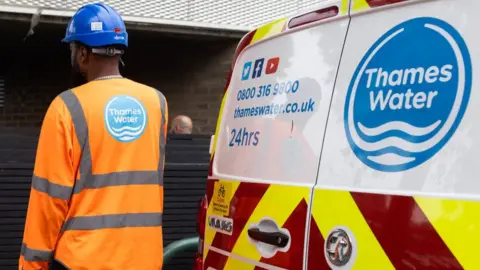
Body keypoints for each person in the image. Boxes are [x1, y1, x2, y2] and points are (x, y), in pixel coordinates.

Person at [19, 3, 168, 270]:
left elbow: (48, 200)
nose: (73, 55)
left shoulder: (67, 106)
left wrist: (31, 266)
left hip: (84, 261)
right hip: (145, 260)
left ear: (84, 53)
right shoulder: (157, 103)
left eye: (73, 49)